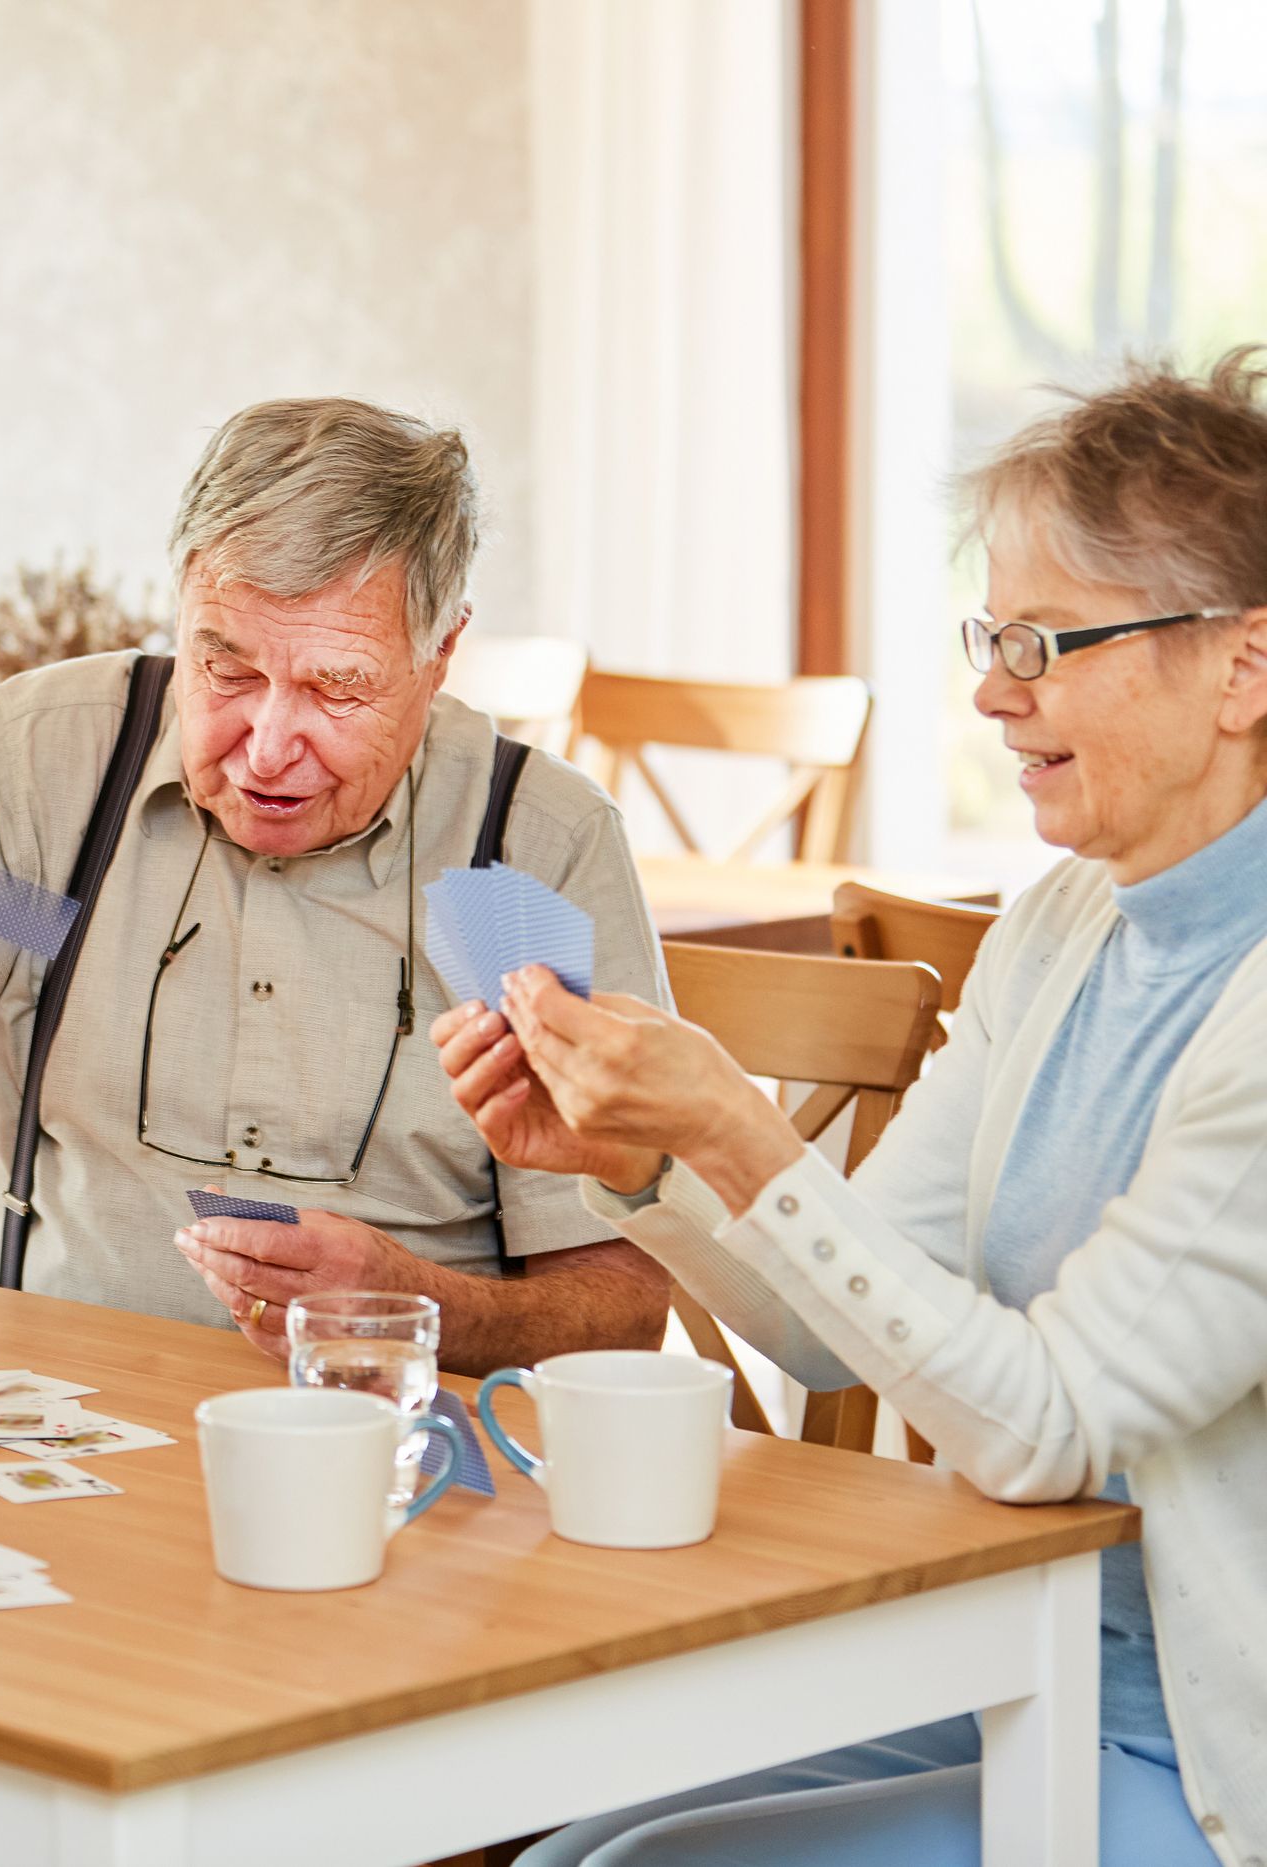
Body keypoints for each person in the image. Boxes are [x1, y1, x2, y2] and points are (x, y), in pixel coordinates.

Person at [434, 353, 1267, 1865]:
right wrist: (650, 1163)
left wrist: (740, 1129)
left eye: (1044, 639)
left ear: (1242, 666)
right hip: (1023, 1652)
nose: (992, 688)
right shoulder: (1065, 926)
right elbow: (838, 1315)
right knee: (560, 1837)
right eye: (989, 632)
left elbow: (1047, 1426)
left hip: (1215, 1748)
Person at [0, 397, 670, 1373]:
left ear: (439, 654)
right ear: (181, 605)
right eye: (224, 668)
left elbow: (618, 1307)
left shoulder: (520, 864)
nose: (268, 751)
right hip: (53, 1410)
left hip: (404, 1449)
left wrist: (421, 1305)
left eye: (335, 688)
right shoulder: (54, 780)